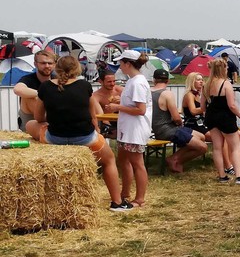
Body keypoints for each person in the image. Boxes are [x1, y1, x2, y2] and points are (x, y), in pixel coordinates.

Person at [33, 56, 129, 212]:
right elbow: (92, 114)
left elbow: (37, 118)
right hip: (85, 137)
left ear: (57, 68)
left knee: (31, 125)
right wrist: (96, 129)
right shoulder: (84, 86)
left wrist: (53, 118)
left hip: (55, 137)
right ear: (77, 69)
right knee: (109, 160)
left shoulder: (45, 87)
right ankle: (117, 202)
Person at [108, 49, 152, 207]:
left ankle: (140, 198)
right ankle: (125, 193)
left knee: (137, 163)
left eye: (121, 62)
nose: (119, 65)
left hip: (135, 129)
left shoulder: (137, 82)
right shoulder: (133, 80)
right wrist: (121, 102)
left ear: (128, 63)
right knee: (124, 160)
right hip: (129, 129)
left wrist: (117, 106)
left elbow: (141, 110)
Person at [202, 59, 240, 185]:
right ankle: (239, 176)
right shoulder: (226, 84)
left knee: (217, 148)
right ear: (223, 69)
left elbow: (203, 107)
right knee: (235, 147)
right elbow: (231, 105)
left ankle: (222, 176)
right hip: (225, 117)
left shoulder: (206, 85)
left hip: (211, 117)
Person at [150, 69, 208, 173]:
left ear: (154, 80)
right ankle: (175, 160)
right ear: (168, 81)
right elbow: (176, 118)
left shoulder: (148, 92)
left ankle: (175, 157)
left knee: (201, 136)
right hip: (168, 130)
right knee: (203, 147)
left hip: (155, 129)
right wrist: (180, 124)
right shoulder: (167, 94)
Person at [13, 49, 56, 140]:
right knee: (30, 97)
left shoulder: (58, 80)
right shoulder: (28, 79)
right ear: (35, 64)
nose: (47, 66)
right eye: (43, 63)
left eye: (50, 63)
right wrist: (42, 94)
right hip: (32, 123)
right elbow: (17, 89)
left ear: (54, 64)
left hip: (51, 121)